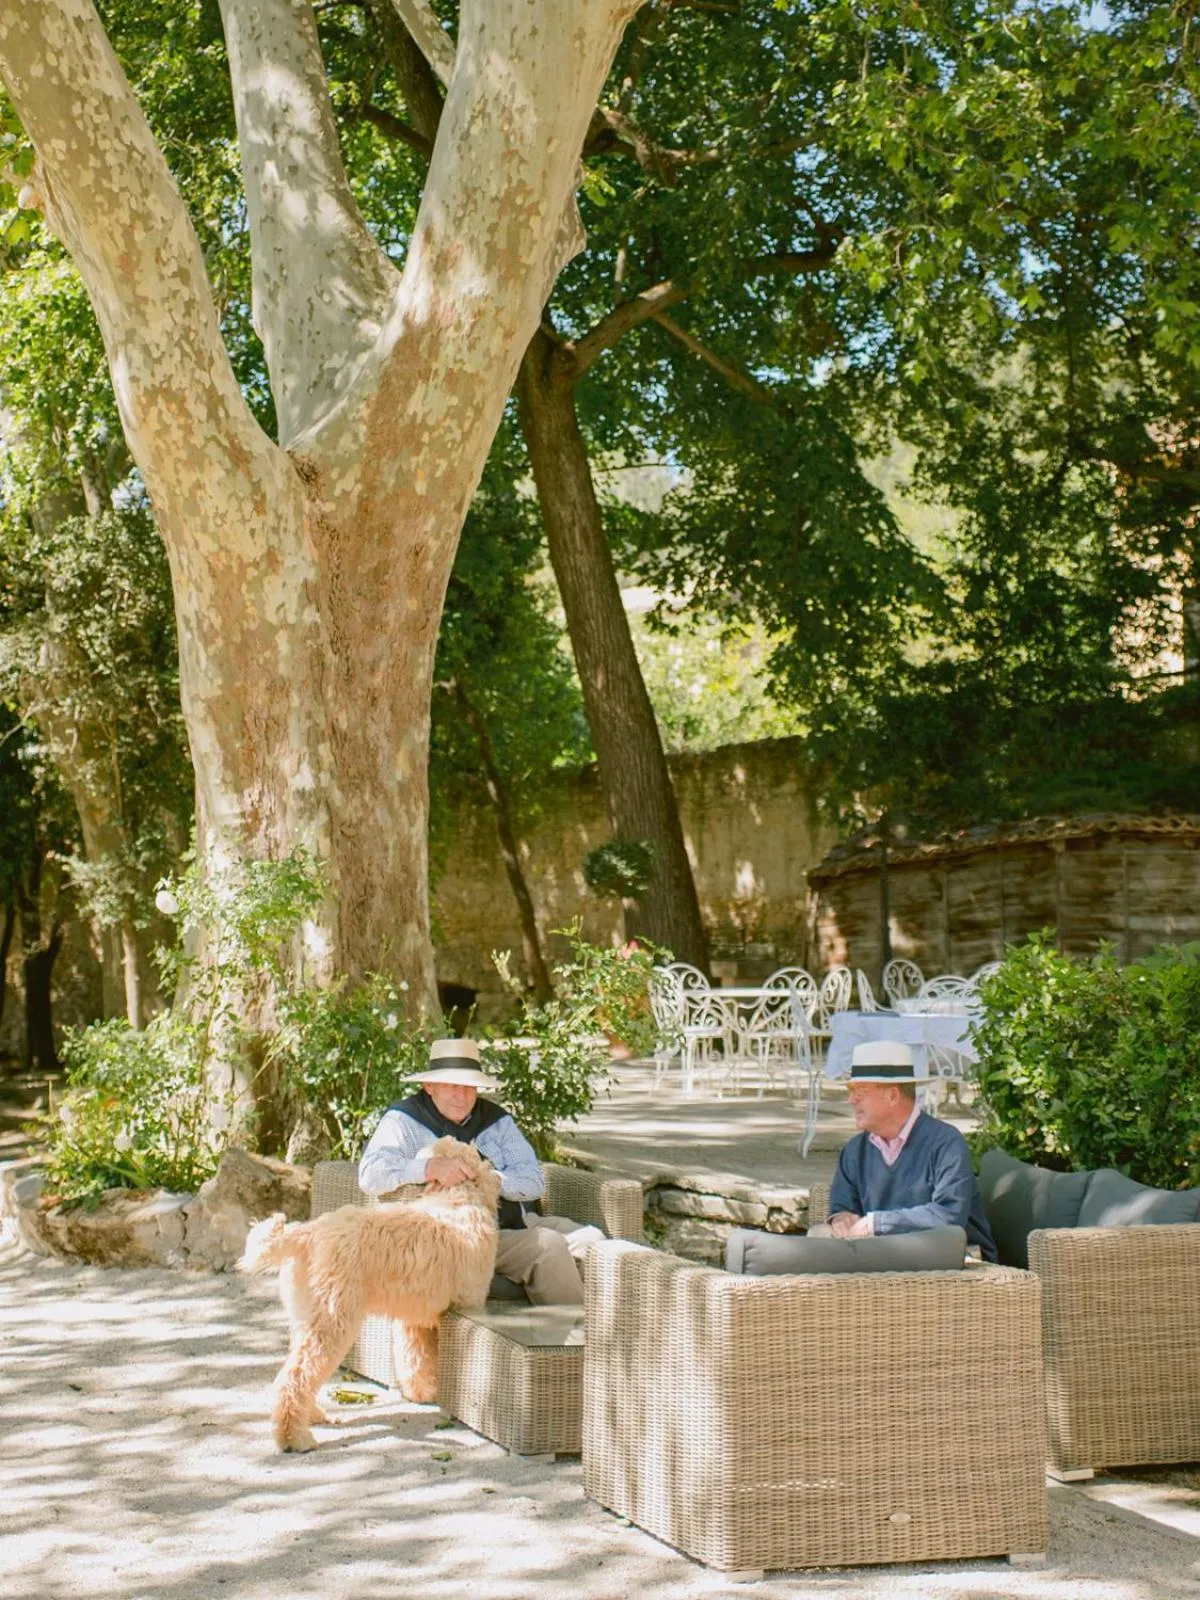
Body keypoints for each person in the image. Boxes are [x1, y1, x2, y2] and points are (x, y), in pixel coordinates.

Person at [358, 1037, 587, 1304]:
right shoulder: (404, 1120)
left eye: (469, 1086)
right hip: (457, 1235)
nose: (462, 1095)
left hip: (518, 1222)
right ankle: (577, 1340)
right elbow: (370, 1174)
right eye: (453, 1085)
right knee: (549, 1247)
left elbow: (534, 1181)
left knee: (593, 1242)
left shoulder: (496, 1121)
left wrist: (487, 1178)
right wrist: (429, 1167)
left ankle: (615, 1331)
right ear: (429, 1086)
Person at [823, 1040, 998, 1261]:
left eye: (860, 1090)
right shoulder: (855, 1150)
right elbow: (842, 1204)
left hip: (958, 1267)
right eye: (851, 1090)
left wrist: (877, 1223)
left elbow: (949, 1216)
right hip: (888, 1260)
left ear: (892, 1095)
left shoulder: (946, 1143)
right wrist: (842, 1218)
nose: (850, 1100)